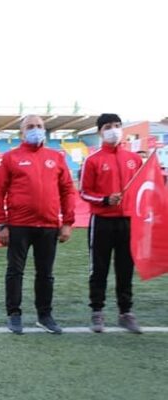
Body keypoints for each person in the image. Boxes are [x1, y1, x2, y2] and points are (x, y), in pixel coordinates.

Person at [0, 115, 76, 335]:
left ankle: (44, 315)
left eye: (39, 126)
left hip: (48, 225)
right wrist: (1, 223)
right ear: (21, 133)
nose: (36, 130)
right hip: (18, 225)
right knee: (15, 271)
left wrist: (67, 222)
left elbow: (67, 190)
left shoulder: (56, 157)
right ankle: (14, 314)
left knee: (46, 273)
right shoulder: (10, 158)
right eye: (30, 127)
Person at [80, 113, 143, 334]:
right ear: (100, 131)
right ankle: (97, 311)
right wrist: (105, 200)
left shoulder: (134, 159)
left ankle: (125, 312)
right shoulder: (93, 160)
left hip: (128, 221)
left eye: (117, 125)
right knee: (99, 268)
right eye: (108, 126)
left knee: (125, 268)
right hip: (102, 221)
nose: (114, 129)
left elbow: (141, 191)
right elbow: (84, 193)